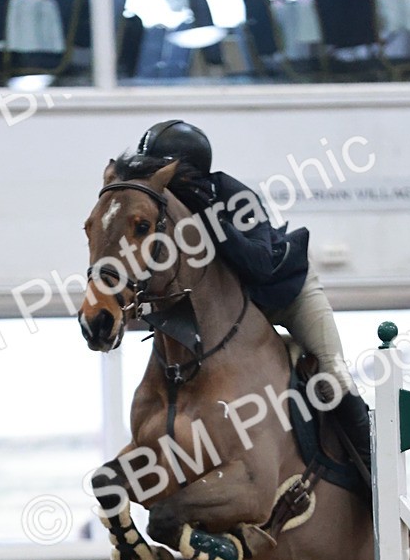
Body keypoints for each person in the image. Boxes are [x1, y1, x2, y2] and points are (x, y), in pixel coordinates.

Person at [132, 119, 372, 484]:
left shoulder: (233, 196)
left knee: (333, 374)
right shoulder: (164, 213)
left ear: (184, 172)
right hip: (236, 312)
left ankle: (375, 476)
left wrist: (212, 223)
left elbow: (259, 263)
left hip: (287, 293)